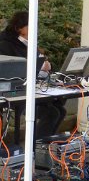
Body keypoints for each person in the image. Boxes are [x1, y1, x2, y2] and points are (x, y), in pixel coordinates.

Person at [0, 11, 66, 139]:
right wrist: (39, 66)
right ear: (19, 28)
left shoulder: (28, 43)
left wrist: (47, 66)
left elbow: (40, 64)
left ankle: (45, 144)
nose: (34, 30)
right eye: (30, 26)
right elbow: (13, 70)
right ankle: (37, 145)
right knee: (51, 113)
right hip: (16, 93)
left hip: (36, 88)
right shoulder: (5, 45)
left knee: (60, 110)